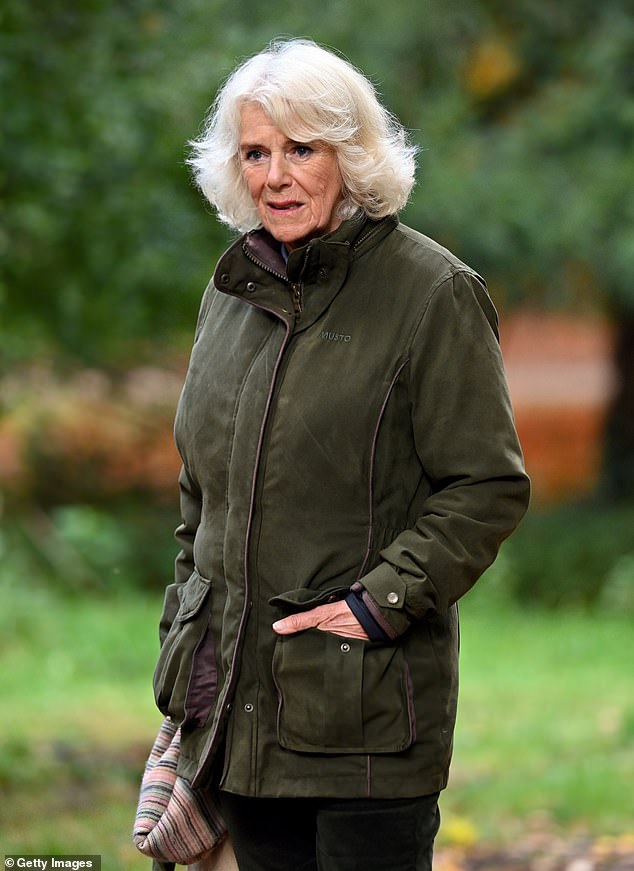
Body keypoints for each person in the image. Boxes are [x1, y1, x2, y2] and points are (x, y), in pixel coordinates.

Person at [152, 38, 530, 871]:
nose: (275, 175)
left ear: (351, 156)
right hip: (235, 713)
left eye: (301, 149)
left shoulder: (434, 293)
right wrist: (189, 627)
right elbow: (199, 491)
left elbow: (485, 486)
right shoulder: (230, 294)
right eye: (256, 152)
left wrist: (379, 602)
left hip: (365, 716)